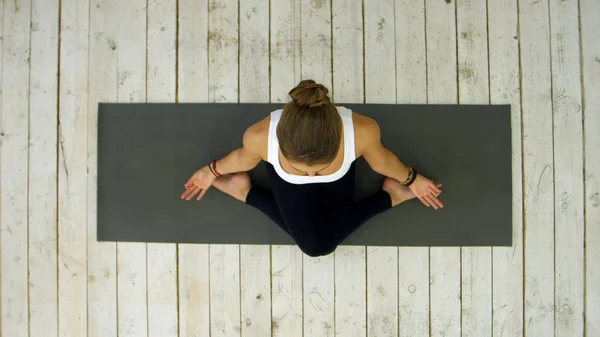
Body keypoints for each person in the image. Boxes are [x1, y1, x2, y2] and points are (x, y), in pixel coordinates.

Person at [181, 80, 443, 257]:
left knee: (322, 227)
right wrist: (211, 171)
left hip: (338, 180)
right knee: (316, 246)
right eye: (302, 168)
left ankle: (245, 192)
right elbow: (241, 159)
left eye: (319, 168)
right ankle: (390, 196)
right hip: (287, 184)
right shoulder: (260, 136)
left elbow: (382, 161)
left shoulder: (361, 131)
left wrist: (413, 178)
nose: (310, 175)